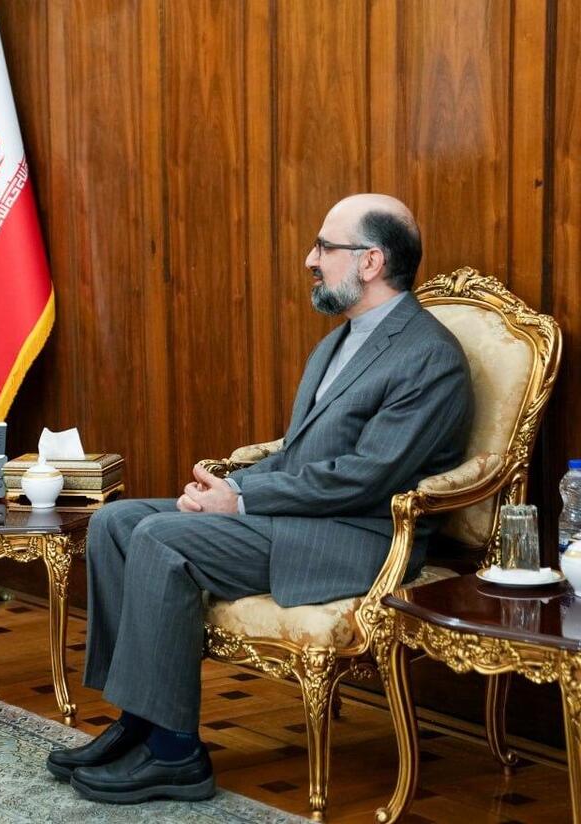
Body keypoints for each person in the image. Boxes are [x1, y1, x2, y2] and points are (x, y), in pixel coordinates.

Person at [47, 194, 473, 804]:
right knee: (115, 521)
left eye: (324, 247)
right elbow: (302, 455)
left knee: (161, 537)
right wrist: (224, 490)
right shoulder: (340, 341)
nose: (310, 259)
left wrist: (241, 498)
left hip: (359, 539)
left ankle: (176, 754)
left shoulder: (428, 356)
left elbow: (367, 477)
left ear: (371, 261)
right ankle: (139, 723)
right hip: (301, 518)